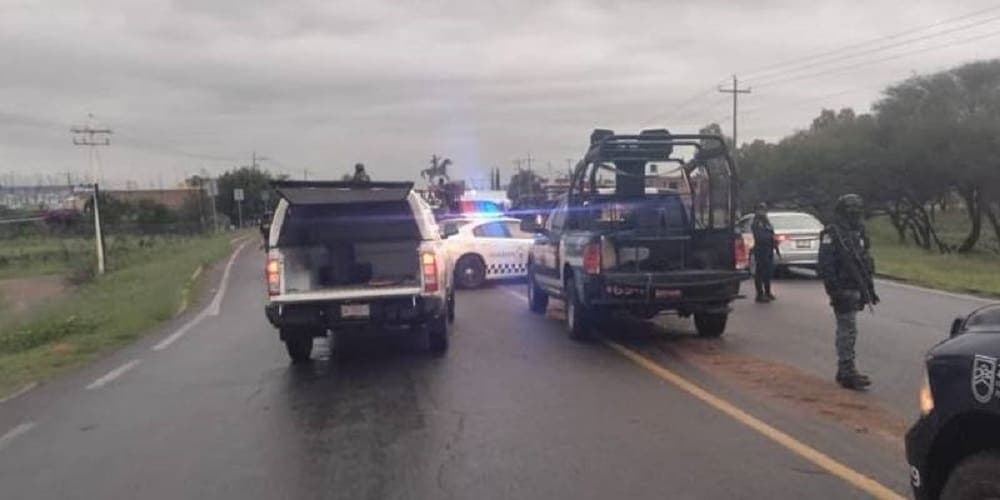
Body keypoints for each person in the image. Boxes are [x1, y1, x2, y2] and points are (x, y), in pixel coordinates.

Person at [818, 194, 879, 390]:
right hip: (842, 288)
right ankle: (846, 370)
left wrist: (869, 289)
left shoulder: (858, 232)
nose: (855, 215)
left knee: (850, 330)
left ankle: (845, 369)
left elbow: (864, 260)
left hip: (856, 286)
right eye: (851, 212)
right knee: (847, 329)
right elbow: (826, 265)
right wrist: (834, 290)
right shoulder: (832, 233)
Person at [751, 203, 780, 303]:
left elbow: (771, 233)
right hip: (761, 249)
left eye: (764, 210)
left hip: (768, 249)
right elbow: (760, 236)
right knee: (760, 272)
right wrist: (769, 238)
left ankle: (768, 292)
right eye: (760, 210)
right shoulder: (757, 222)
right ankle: (759, 294)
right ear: (756, 211)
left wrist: (775, 242)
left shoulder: (767, 222)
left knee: (768, 272)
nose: (762, 212)